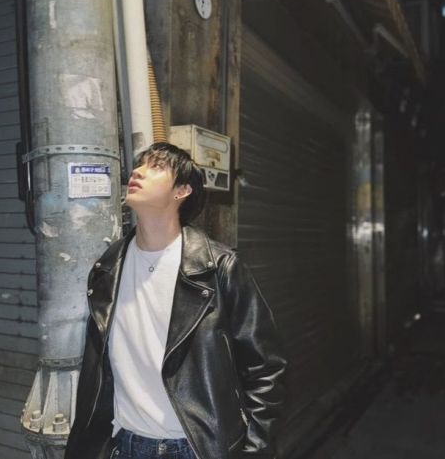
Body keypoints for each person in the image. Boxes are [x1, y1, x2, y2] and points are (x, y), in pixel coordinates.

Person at [64, 142, 287, 459]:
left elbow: (266, 367)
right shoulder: (107, 269)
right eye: (139, 164)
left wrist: (253, 448)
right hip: (125, 445)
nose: (137, 172)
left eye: (155, 167)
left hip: (198, 448)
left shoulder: (218, 268)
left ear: (182, 191)